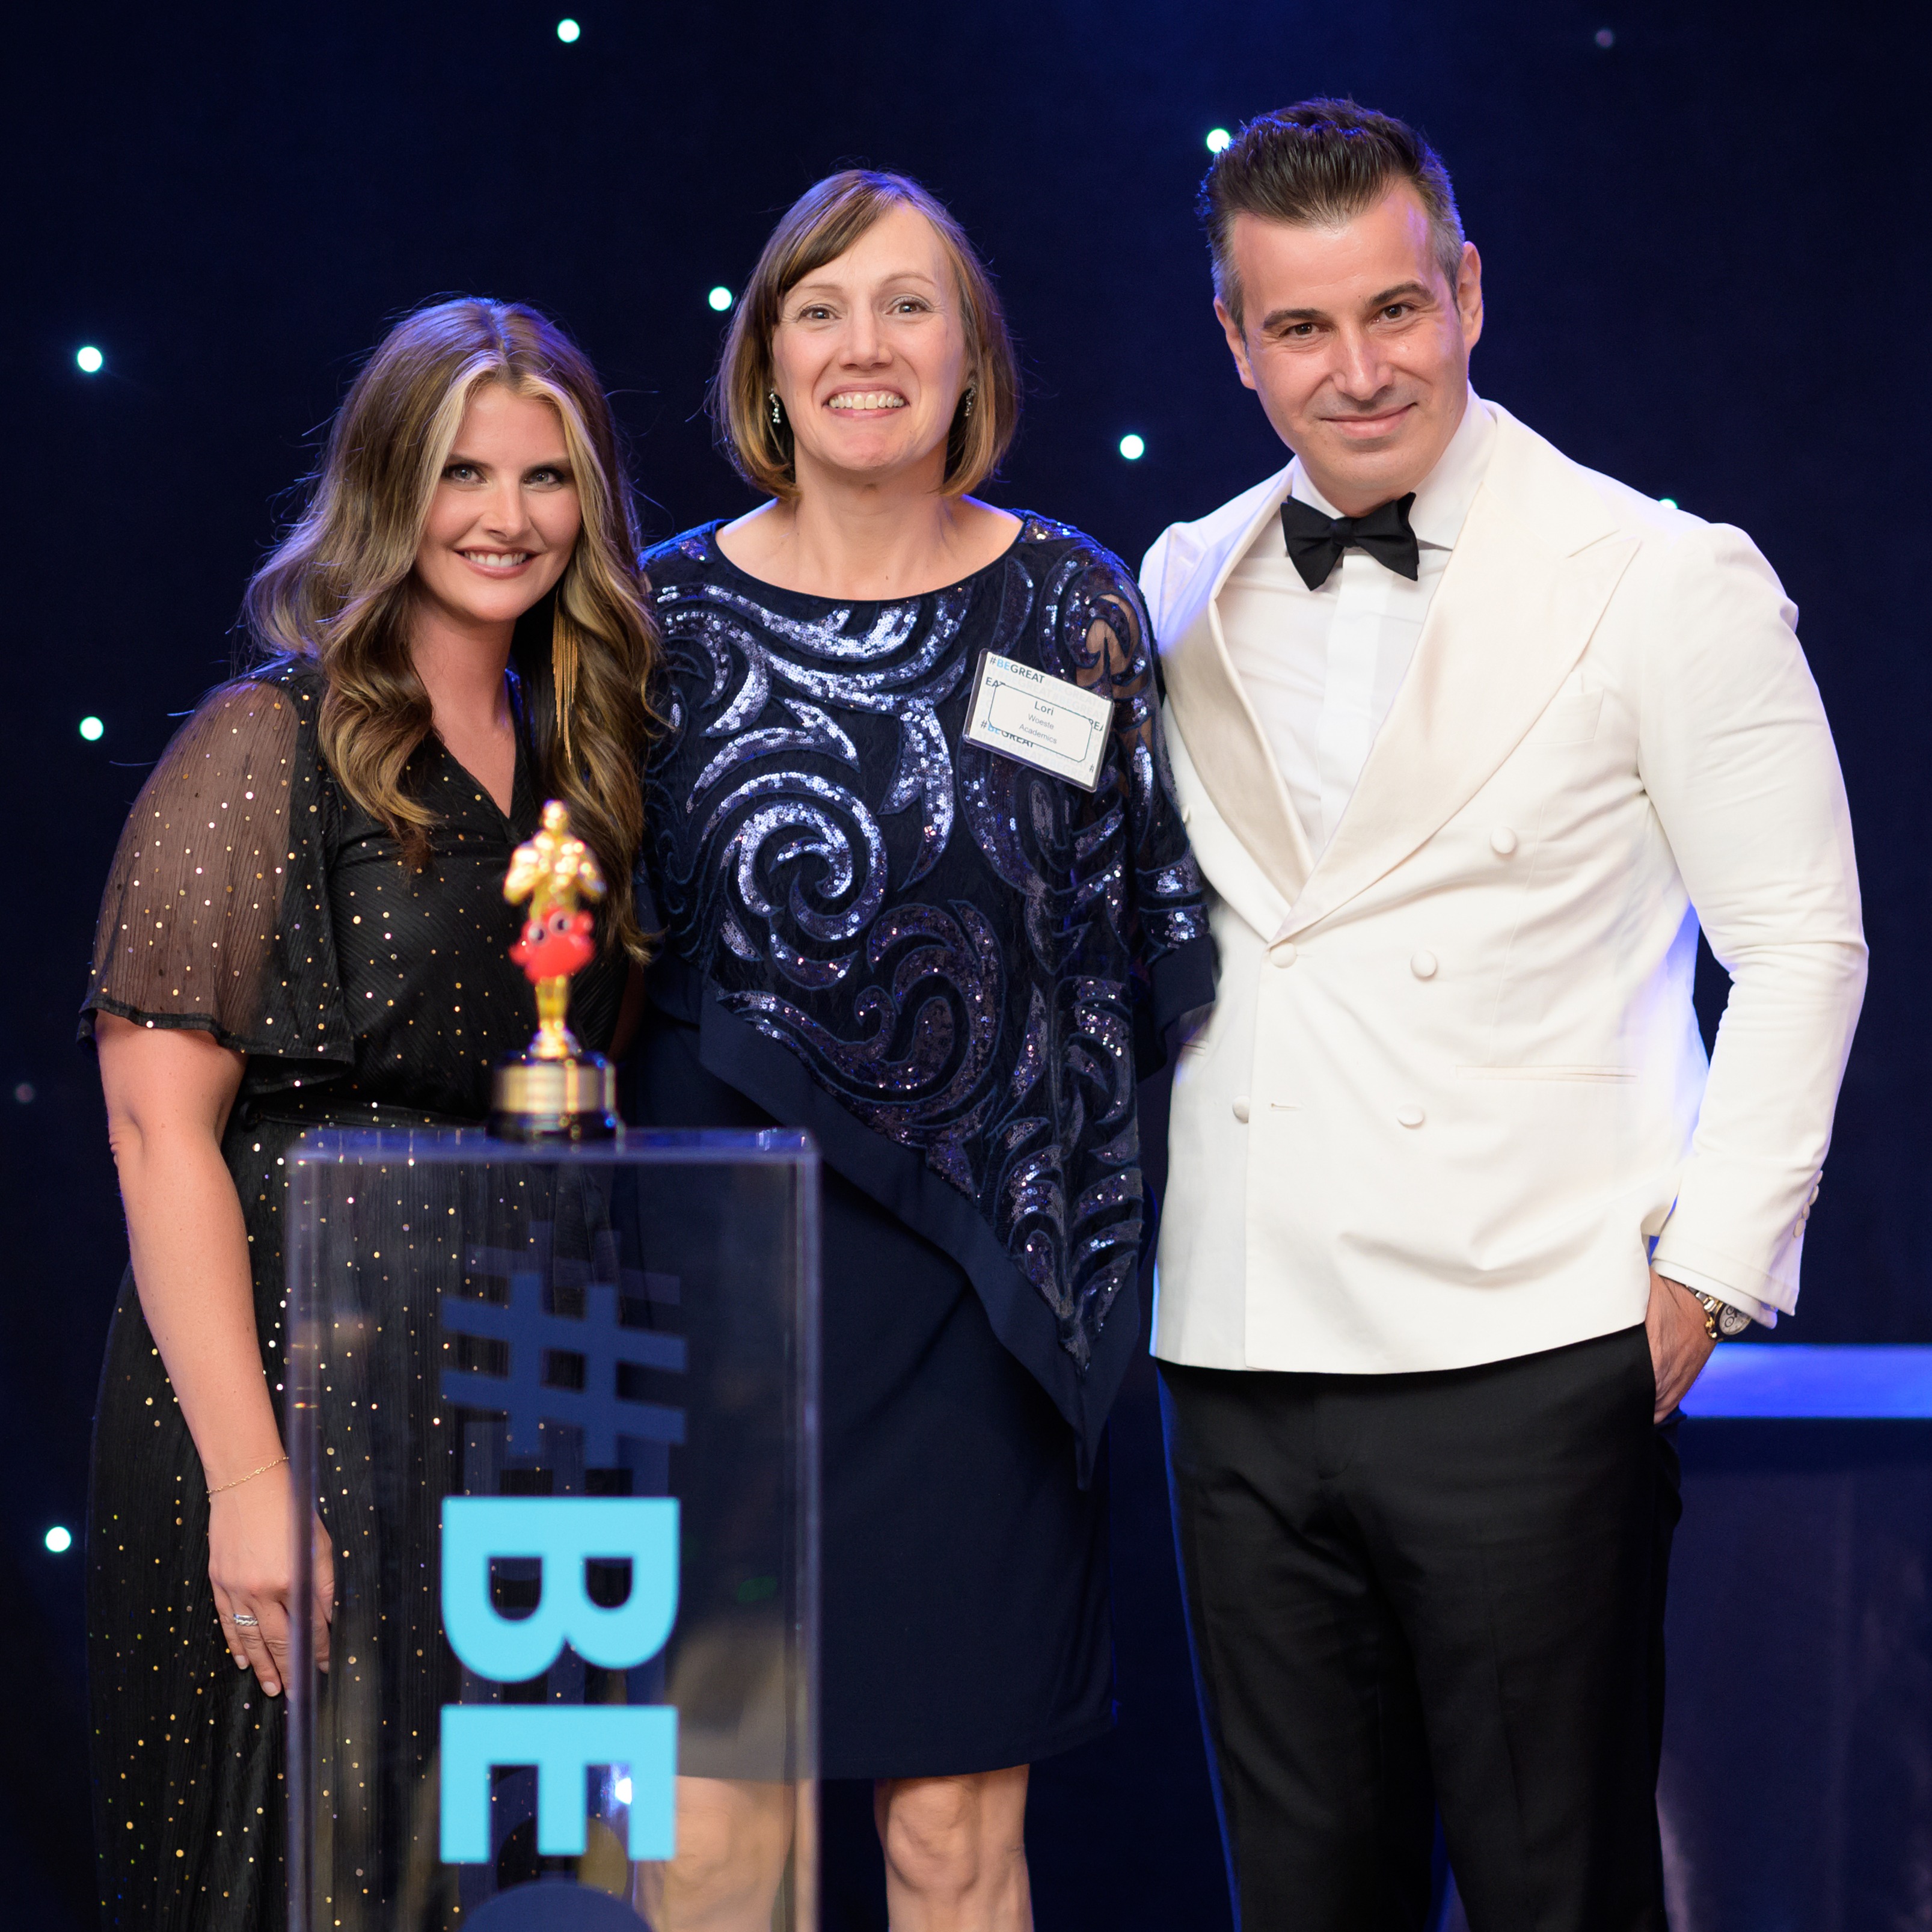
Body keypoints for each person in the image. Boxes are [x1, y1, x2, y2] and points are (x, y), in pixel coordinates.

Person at [1141, 102, 1866, 1930]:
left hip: (1534, 1342)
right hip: (1240, 1345)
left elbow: (1803, 944)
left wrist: (1706, 1279)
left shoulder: (1659, 573)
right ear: (1235, 343)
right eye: (1301, 327)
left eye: (1397, 309)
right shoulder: (1181, 579)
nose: (1360, 368)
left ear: (1470, 290)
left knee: (1558, 1891)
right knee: (1306, 1901)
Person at [631, 169, 1212, 1928]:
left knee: (955, 1834)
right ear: (768, 355)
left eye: (907, 306)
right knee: (721, 1832)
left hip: (987, 1298)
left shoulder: (1071, 607)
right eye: (821, 307)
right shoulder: (652, 626)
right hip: (717, 1296)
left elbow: (1142, 944)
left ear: (971, 356)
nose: (863, 346)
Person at [80, 298, 658, 1930]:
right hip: (277, 1377)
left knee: (472, 1872)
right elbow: (153, 1129)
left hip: (506, 1385)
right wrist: (253, 1483)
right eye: (460, 473)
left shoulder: (578, 754)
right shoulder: (261, 740)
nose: (504, 517)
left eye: (548, 479)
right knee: (284, 1866)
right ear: (386, 490)